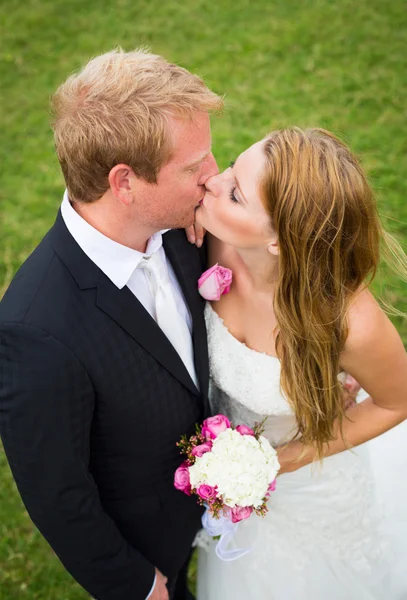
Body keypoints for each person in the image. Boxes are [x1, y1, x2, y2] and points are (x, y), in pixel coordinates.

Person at [0, 48, 223, 600]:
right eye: (195, 166)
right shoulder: (36, 330)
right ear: (124, 182)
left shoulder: (181, 225)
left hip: (228, 510)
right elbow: (58, 493)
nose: (215, 178)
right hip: (152, 548)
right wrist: (138, 585)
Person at [193, 128, 407, 599]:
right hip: (227, 467)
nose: (211, 181)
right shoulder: (213, 240)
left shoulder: (351, 323)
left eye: (234, 193)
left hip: (312, 480)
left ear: (278, 242)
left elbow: (396, 401)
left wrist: (282, 461)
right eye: (231, 166)